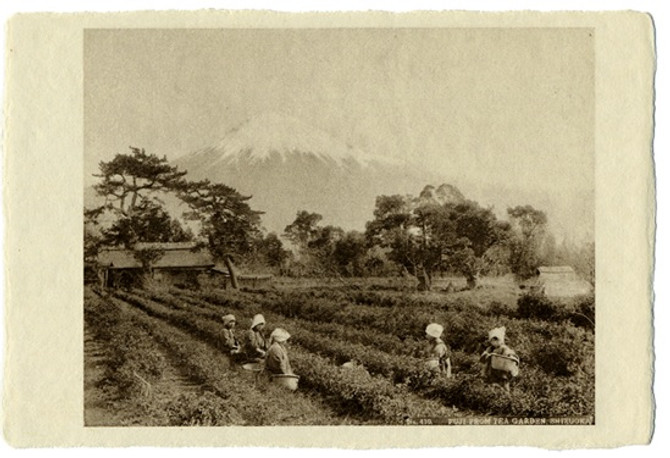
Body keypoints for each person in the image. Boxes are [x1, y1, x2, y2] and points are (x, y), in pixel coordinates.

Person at [480, 326, 520, 392]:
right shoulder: (490, 348)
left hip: (502, 369)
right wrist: (486, 355)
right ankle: (491, 395)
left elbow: (508, 353)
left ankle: (507, 397)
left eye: (496, 340)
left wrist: (509, 355)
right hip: (491, 369)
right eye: (492, 340)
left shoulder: (503, 348)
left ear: (501, 340)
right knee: (490, 383)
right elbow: (484, 356)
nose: (494, 342)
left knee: (504, 383)